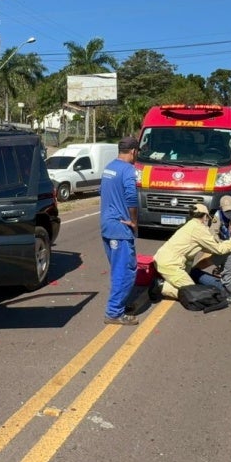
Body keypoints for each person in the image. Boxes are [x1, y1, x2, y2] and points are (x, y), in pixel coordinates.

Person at [152, 204, 231, 300]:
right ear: (205, 216)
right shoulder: (199, 229)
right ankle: (161, 286)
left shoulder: (190, 225)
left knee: (192, 289)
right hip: (170, 264)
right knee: (194, 294)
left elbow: (205, 247)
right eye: (207, 217)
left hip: (163, 259)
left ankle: (166, 282)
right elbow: (220, 249)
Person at [100, 136, 141, 325]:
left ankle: (119, 305)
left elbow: (104, 193)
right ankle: (114, 312)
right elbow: (131, 198)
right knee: (125, 271)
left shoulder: (109, 168)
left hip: (107, 225)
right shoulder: (128, 170)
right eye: (137, 152)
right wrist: (134, 222)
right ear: (133, 151)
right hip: (120, 228)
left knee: (118, 268)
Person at [191, 216, 231, 296]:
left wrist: (194, 268)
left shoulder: (228, 247)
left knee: (194, 272)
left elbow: (205, 263)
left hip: (229, 289)